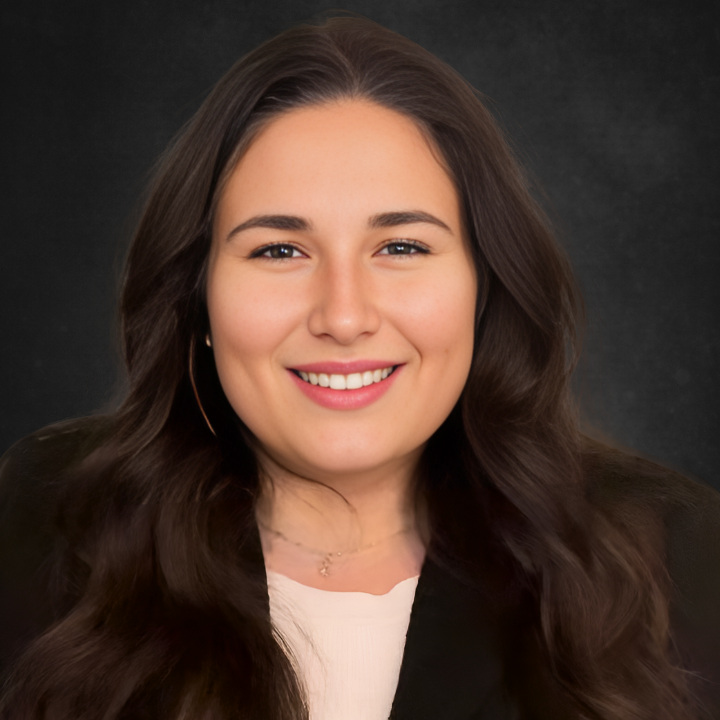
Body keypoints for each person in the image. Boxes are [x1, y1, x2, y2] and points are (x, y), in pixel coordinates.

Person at [0, 15, 718, 720]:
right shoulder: (46, 523)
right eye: (279, 251)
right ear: (197, 297)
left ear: (484, 287)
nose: (343, 317)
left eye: (402, 247)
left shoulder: (672, 556)